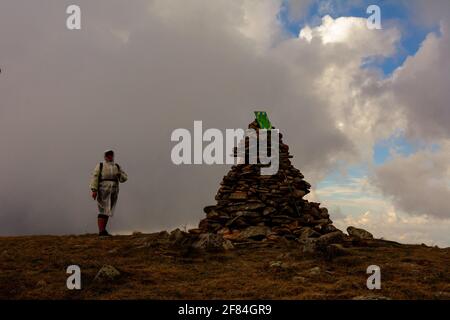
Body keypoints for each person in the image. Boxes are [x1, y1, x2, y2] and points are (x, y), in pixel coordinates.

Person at [90, 149, 128, 236]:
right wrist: (94, 190)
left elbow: (124, 178)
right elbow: (95, 177)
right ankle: (101, 231)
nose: (110, 156)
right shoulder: (101, 165)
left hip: (113, 190)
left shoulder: (117, 166)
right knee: (102, 209)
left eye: (111, 155)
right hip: (103, 190)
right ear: (105, 156)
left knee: (108, 210)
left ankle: (103, 230)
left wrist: (119, 175)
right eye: (108, 155)